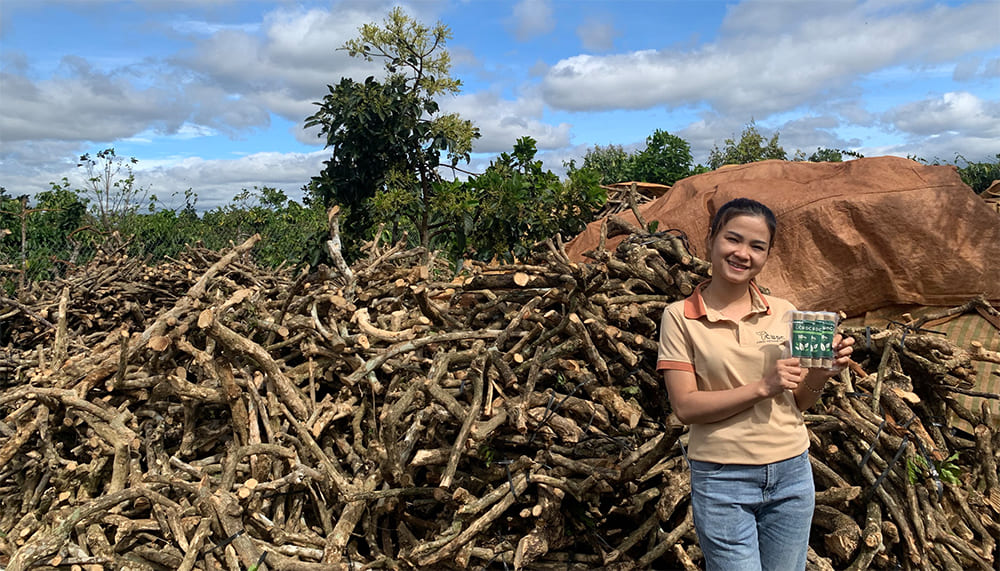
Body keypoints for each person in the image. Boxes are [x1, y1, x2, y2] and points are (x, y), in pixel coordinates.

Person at [656, 197, 854, 571]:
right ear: (712, 238)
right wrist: (762, 387)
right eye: (733, 239)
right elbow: (685, 408)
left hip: (791, 473)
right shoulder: (680, 318)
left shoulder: (784, 312)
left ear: (766, 255)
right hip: (721, 479)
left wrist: (821, 373)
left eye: (757, 246)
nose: (742, 253)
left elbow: (801, 402)